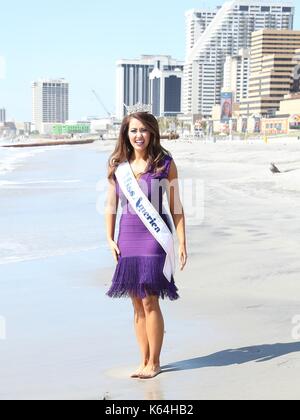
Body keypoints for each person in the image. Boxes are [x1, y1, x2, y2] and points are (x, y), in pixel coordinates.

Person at [105, 112, 188, 380]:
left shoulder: (164, 164)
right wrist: (109, 238)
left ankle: (155, 362)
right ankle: (142, 360)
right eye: (133, 130)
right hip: (127, 238)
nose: (138, 135)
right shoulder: (118, 166)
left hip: (154, 237)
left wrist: (182, 240)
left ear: (152, 133)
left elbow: (176, 206)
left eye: (143, 130)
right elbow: (111, 205)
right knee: (136, 303)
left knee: (150, 299)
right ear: (126, 134)